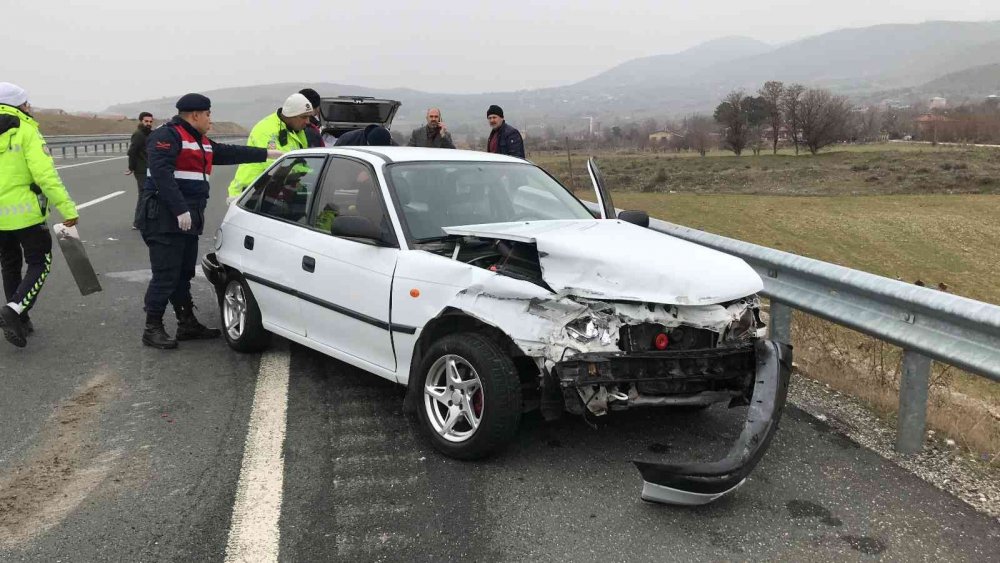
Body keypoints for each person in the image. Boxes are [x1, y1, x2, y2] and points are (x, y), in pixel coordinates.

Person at [139, 93, 282, 349]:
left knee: (183, 273)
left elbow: (227, 152)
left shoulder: (200, 140)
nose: (210, 119)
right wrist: (180, 209)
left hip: (188, 218)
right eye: (208, 115)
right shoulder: (167, 136)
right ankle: (152, 327)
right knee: (165, 274)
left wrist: (268, 155)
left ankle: (186, 323)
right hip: (163, 217)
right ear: (195, 115)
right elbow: (161, 174)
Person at [0, 82, 79, 348]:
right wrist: (67, 209)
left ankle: (20, 319)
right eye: (26, 103)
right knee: (40, 263)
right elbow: (45, 175)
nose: (29, 107)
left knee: (9, 265)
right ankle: (14, 310)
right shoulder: (26, 130)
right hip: (27, 215)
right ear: (18, 104)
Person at [227, 93, 313, 201]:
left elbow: (300, 159)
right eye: (304, 117)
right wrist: (312, 172)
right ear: (291, 115)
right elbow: (275, 165)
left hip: (273, 189)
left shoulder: (297, 130)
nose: (308, 121)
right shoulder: (266, 130)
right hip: (249, 192)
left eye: (309, 117)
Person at [127, 111, 154, 229]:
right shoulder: (138, 134)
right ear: (141, 121)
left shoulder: (149, 134)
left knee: (147, 194)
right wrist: (131, 167)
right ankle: (138, 222)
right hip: (141, 169)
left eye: (150, 122)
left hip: (148, 168)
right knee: (144, 194)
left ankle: (144, 220)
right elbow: (132, 151)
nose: (148, 123)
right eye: (146, 121)